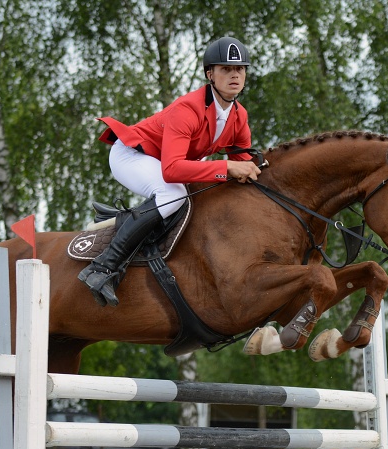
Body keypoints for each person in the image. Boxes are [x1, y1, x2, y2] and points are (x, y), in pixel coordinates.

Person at [80, 36, 262, 307]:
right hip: (131, 155)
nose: (235, 75)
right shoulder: (188, 108)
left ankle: (131, 226)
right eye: (226, 69)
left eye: (240, 69)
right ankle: (102, 267)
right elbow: (172, 169)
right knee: (173, 194)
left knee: (192, 193)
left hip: (160, 162)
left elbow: (244, 166)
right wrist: (226, 166)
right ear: (210, 75)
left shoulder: (239, 116)